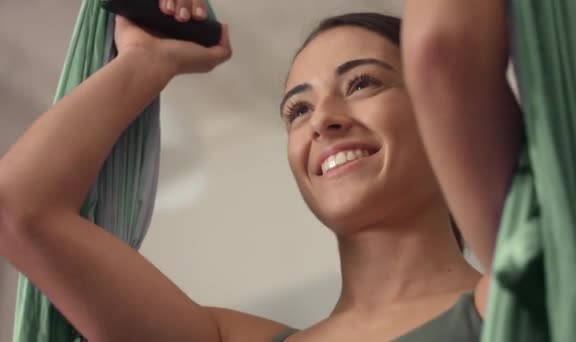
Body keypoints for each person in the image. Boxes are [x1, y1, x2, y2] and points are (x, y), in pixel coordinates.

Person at [0, 0, 523, 341]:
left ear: (436, 113)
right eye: (298, 110)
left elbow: (445, 45)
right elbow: (21, 208)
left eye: (362, 83)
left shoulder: (512, 301)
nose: (323, 121)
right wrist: (147, 61)